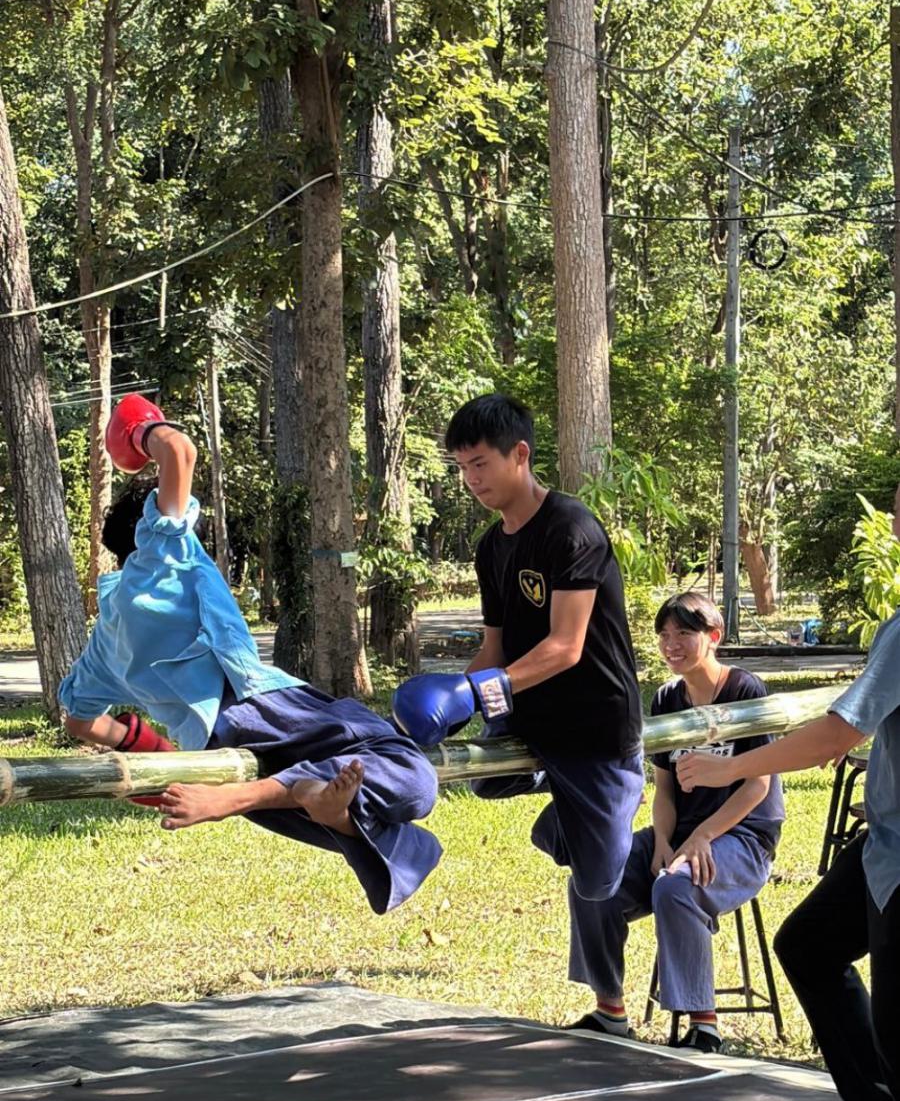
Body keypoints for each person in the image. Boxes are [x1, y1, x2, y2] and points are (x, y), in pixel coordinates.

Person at [58, 395, 441, 915]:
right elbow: (178, 450)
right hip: (264, 709)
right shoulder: (161, 555)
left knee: (376, 825)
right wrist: (138, 431)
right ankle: (271, 796)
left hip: (216, 753)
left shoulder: (105, 639)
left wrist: (164, 758)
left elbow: (79, 719)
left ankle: (309, 799)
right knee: (411, 773)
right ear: (148, 527)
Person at [393, 393, 644, 1028]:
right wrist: (452, 697)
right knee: (483, 779)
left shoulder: (572, 529)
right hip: (528, 716)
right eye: (462, 468)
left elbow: (565, 646)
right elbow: (494, 650)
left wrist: (478, 692)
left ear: (520, 455)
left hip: (595, 726)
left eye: (480, 464)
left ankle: (575, 815)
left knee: (598, 883)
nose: (471, 480)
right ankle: (556, 795)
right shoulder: (491, 549)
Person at [676, 483, 900, 1101]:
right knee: (808, 944)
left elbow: (837, 731)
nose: (896, 524)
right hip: (883, 846)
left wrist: (728, 768)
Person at [565, 591, 784, 1050]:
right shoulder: (667, 699)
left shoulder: (745, 691)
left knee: (676, 886)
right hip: (681, 835)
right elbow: (664, 789)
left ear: (714, 637)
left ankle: (704, 1026)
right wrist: (664, 840)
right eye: (664, 635)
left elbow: (758, 786)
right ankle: (610, 1010)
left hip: (742, 838)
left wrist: (703, 836)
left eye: (684, 632)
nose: (672, 644)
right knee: (592, 878)